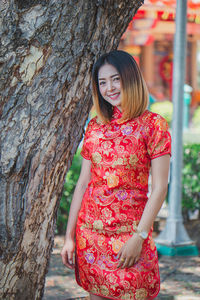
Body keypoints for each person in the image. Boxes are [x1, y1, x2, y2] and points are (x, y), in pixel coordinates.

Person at [61, 50, 171, 300]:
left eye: (115, 79)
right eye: (102, 82)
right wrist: (68, 238)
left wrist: (139, 237)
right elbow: (82, 185)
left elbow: (160, 189)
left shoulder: (153, 125)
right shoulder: (95, 126)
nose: (109, 88)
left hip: (132, 238)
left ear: (130, 78)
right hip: (91, 237)